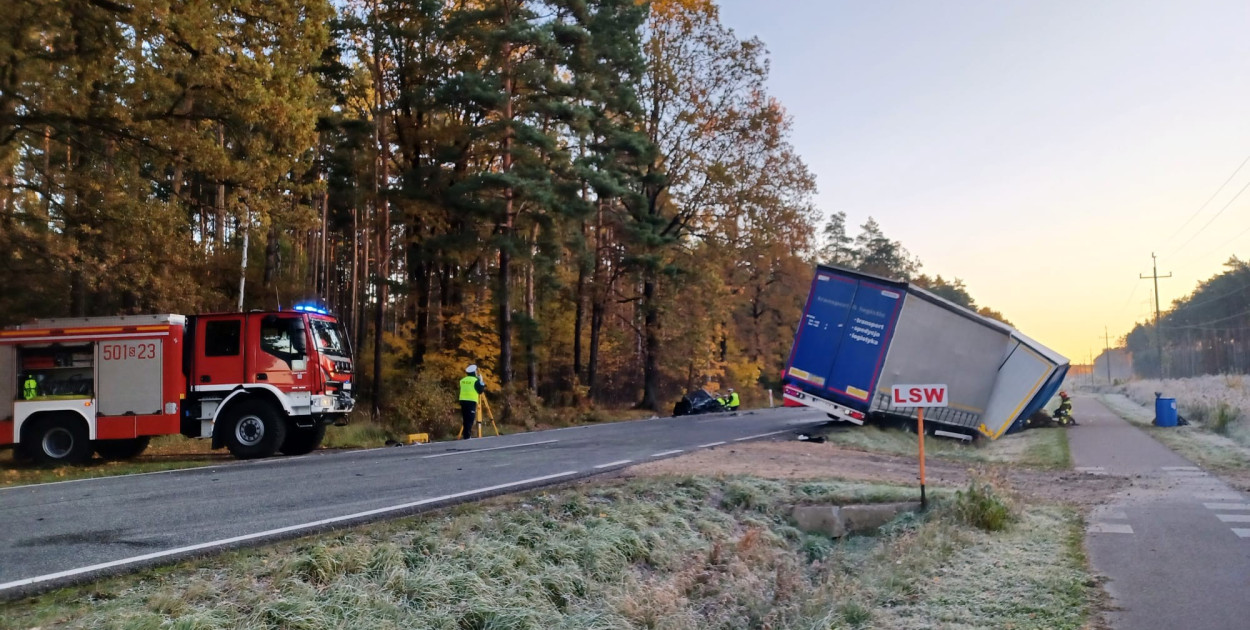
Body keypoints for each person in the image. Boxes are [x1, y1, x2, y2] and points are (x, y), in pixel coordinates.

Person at [458, 365, 486, 439]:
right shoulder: (475, 381)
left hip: (463, 401)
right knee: (470, 418)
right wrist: (481, 382)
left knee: (465, 418)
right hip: (471, 401)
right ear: (474, 372)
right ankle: (467, 436)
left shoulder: (462, 380)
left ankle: (466, 435)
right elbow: (480, 390)